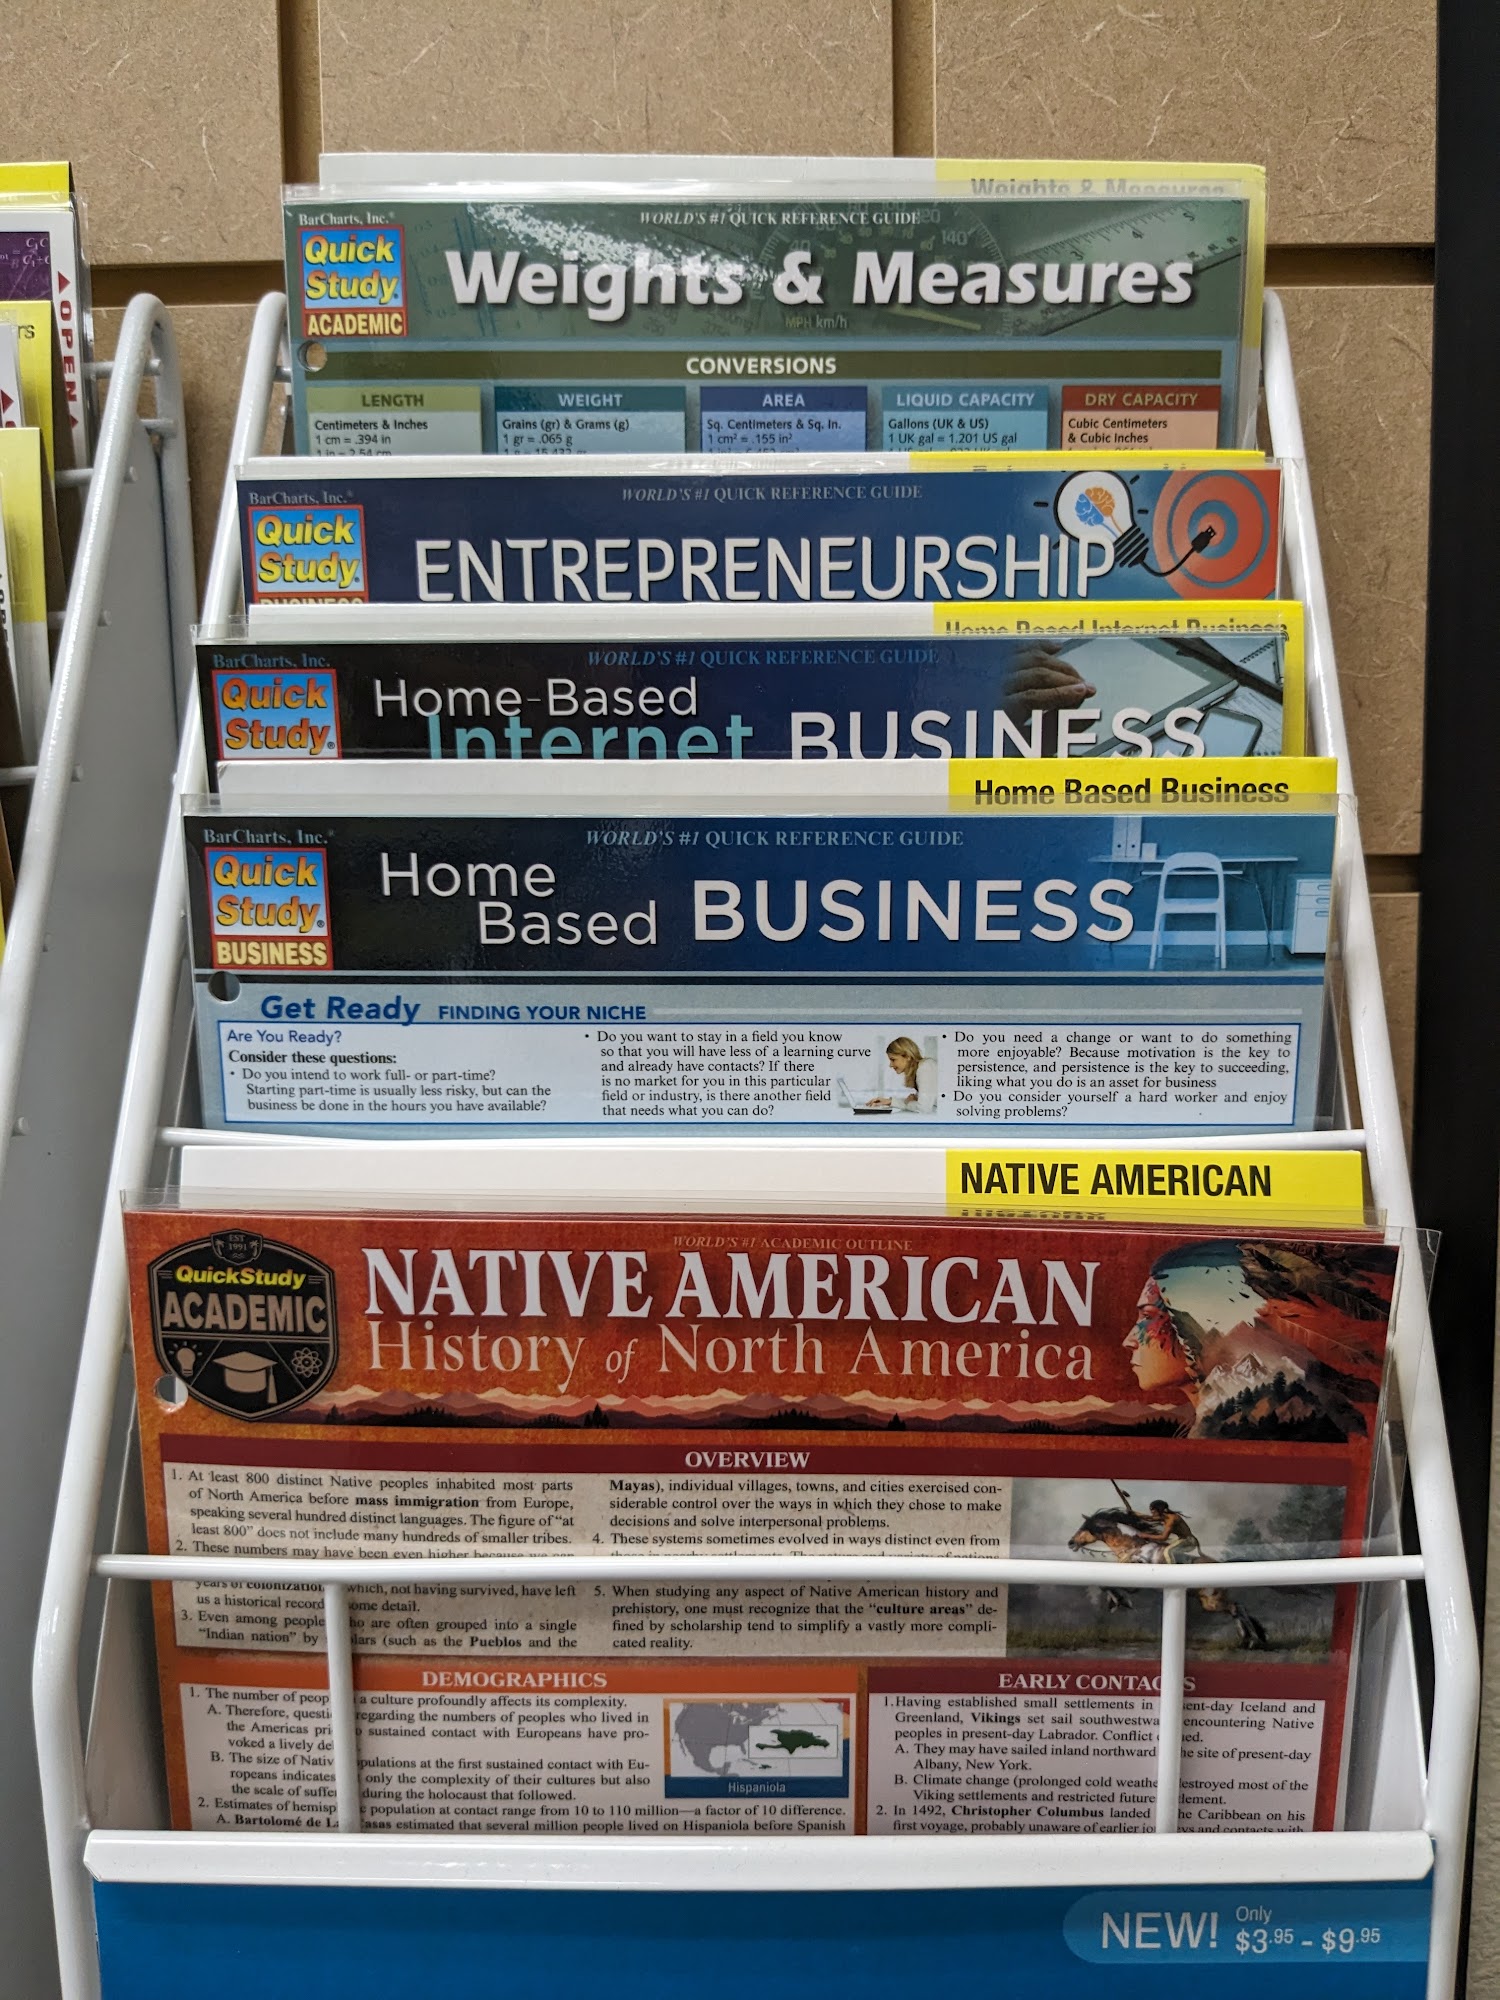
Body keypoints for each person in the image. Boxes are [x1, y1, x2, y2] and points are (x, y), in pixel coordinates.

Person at [876, 1035, 937, 1113]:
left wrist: (909, 1102)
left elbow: (923, 1108)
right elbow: (915, 1103)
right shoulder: (921, 1068)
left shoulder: (925, 1067)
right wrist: (889, 1101)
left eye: (893, 1060)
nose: (890, 1065)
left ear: (908, 1056)